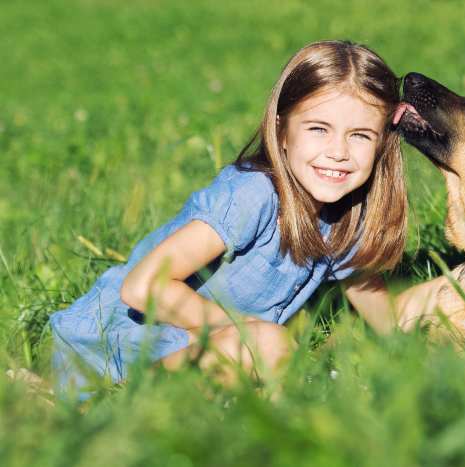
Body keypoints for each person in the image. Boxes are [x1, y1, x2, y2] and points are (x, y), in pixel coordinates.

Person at [48, 40, 409, 401]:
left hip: (200, 346)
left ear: (381, 145)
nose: (338, 152)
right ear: (281, 131)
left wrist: (422, 350)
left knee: (268, 349)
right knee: (267, 345)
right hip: (116, 344)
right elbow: (141, 288)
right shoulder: (253, 195)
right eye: (318, 129)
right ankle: (106, 401)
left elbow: (378, 305)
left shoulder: (344, 216)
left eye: (360, 135)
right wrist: (245, 328)